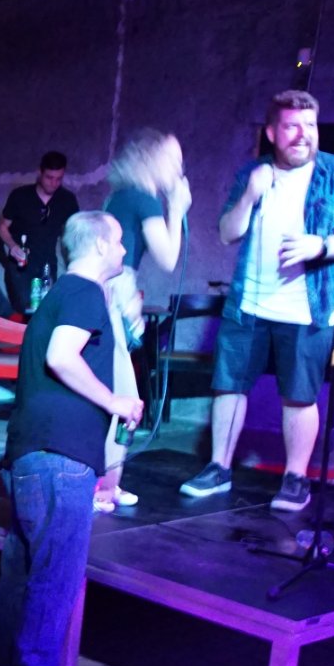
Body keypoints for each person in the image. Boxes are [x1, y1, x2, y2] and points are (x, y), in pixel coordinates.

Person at [0, 213, 142, 666]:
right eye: (120, 242)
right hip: (59, 459)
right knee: (56, 576)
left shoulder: (60, 294)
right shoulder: (84, 291)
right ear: (100, 244)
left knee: (23, 571)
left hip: (33, 455)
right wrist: (115, 401)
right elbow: (60, 356)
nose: (124, 252)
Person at [180, 90, 334, 512]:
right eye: (292, 126)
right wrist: (250, 196)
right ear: (272, 132)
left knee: (299, 394)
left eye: (310, 126)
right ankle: (218, 468)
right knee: (229, 387)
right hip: (248, 304)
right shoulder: (253, 173)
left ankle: (295, 477)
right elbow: (227, 232)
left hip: (308, 307)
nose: (303, 135)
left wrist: (321, 246)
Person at [99, 131, 191, 511]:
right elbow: (168, 259)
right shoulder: (144, 198)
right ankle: (103, 486)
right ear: (151, 159)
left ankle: (109, 482)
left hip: (107, 291)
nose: (180, 168)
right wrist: (177, 209)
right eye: (173, 160)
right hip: (115, 295)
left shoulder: (119, 195)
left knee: (119, 393)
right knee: (123, 398)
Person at [0, 151, 81, 314]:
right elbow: (2, 227)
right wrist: (12, 246)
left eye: (59, 179)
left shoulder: (67, 200)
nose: (53, 183)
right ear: (39, 172)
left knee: (46, 313)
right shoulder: (20, 196)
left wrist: (73, 263)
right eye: (49, 178)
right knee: (25, 312)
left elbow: (72, 234)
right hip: (21, 267)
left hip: (48, 266)